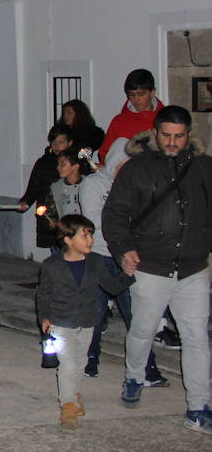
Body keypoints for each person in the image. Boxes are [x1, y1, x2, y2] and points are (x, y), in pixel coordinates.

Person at [102, 106, 212, 432]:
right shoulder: (137, 169)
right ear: (155, 133)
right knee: (143, 330)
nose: (172, 142)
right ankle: (134, 377)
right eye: (166, 135)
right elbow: (114, 215)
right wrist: (124, 250)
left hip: (193, 269)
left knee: (196, 337)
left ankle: (199, 406)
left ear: (188, 135)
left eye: (179, 136)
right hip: (150, 267)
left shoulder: (204, 168)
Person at [74, 139, 167, 386]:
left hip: (126, 255)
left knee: (136, 313)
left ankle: (147, 368)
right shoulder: (93, 184)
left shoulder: (136, 186)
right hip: (99, 255)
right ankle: (89, 360)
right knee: (94, 311)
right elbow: (94, 222)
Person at [36, 214, 136, 429]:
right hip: (61, 323)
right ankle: (68, 406)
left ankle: (75, 394)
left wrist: (128, 274)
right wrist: (44, 317)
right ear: (68, 239)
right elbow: (43, 294)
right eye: (84, 235)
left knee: (80, 363)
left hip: (87, 321)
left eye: (90, 235)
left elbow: (111, 286)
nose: (90, 240)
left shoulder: (96, 262)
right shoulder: (51, 265)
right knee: (68, 366)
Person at [19, 125, 71, 253]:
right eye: (53, 143)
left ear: (70, 143)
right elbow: (34, 186)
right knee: (56, 250)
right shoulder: (43, 163)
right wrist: (25, 201)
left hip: (70, 213)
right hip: (50, 213)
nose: (57, 146)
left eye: (61, 142)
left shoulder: (76, 162)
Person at [98, 68, 164, 162]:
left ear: (152, 92)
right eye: (131, 95)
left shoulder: (164, 120)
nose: (136, 99)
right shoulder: (119, 121)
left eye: (140, 94)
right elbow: (105, 154)